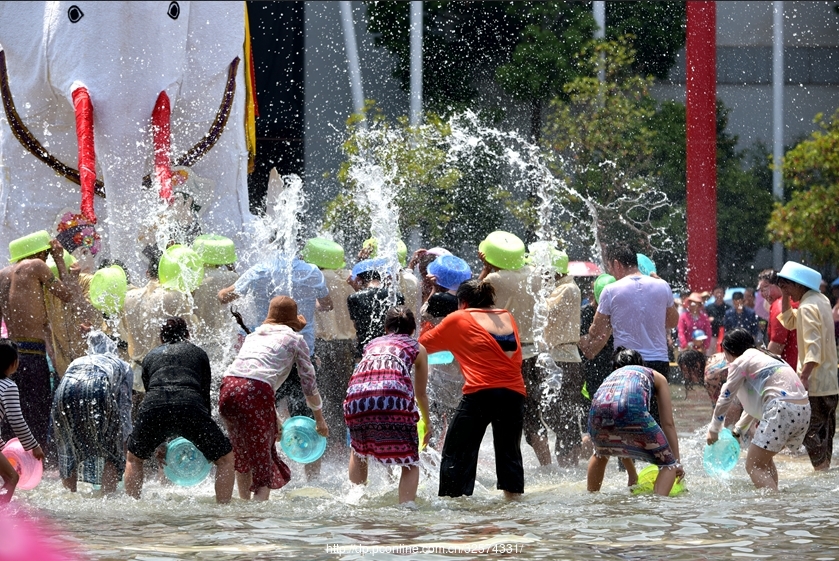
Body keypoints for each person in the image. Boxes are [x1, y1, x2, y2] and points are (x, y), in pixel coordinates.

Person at [218, 248, 332, 479]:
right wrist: (308, 306)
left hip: (265, 361)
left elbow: (224, 297)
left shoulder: (260, 270)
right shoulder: (312, 272)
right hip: (303, 350)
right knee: (309, 417)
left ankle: (258, 473)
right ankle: (312, 479)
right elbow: (327, 304)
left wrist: (232, 280)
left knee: (259, 418)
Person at [419, 279, 526, 499]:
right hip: (514, 393)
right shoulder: (506, 316)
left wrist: (428, 320)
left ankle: (453, 504)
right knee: (509, 453)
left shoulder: (459, 318)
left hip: (481, 393)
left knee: (456, 452)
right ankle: (514, 507)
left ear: (463, 302)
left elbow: (422, 345)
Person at [219, 296, 328, 501]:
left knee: (242, 453)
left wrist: (274, 420)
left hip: (228, 388)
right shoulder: (296, 340)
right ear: (293, 323)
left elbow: (249, 377)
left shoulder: (253, 336)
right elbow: (309, 383)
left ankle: (243, 512)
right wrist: (319, 419)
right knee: (263, 461)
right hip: (256, 391)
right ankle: (259, 524)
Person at [124, 318, 235, 503]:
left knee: (134, 459)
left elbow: (151, 393)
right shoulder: (198, 353)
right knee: (225, 459)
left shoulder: (150, 356)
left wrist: (159, 443)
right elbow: (204, 395)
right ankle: (223, 510)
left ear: (161, 338)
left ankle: (131, 507)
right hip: (191, 406)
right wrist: (204, 437)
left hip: (154, 408)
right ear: (187, 335)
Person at [579, 244, 678, 422]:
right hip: (659, 362)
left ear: (617, 264)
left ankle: (633, 450)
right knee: (658, 419)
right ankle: (660, 450)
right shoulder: (662, 285)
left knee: (629, 419)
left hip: (627, 363)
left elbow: (596, 330)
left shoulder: (611, 290)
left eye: (610, 268)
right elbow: (672, 322)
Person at [344, 306, 430, 504]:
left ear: (386, 327)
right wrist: (428, 422)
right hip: (394, 396)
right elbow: (421, 393)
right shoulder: (417, 347)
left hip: (357, 397)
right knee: (409, 460)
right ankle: (406, 508)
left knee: (359, 449)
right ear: (413, 330)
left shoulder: (372, 344)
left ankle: (354, 499)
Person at [706, 329, 810, 490]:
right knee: (764, 461)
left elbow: (725, 396)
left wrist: (714, 429)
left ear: (730, 352)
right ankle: (777, 502)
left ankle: (772, 506)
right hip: (803, 410)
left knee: (754, 465)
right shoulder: (767, 356)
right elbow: (757, 402)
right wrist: (739, 430)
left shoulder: (740, 361)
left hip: (782, 409)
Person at [0, 234, 76, 451]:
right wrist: (60, 260)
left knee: (9, 416)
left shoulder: (2, 274)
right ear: (42, 252)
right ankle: (36, 468)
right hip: (33, 354)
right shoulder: (37, 265)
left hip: (7, 354)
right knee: (37, 416)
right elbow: (68, 294)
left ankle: (10, 463)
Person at [586, 347, 683, 497]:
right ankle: (658, 510)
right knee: (667, 465)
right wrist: (676, 462)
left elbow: (620, 434)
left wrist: (632, 474)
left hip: (596, 413)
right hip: (631, 409)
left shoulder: (612, 377)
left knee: (600, 453)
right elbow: (668, 423)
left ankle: (590, 500)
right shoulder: (654, 375)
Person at [51, 331, 133, 494]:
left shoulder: (78, 360)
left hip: (64, 391)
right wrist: (124, 439)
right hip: (98, 386)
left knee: (68, 444)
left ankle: (70, 496)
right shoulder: (123, 365)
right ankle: (108, 498)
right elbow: (124, 407)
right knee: (112, 449)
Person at [777, 261, 839, 471]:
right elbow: (788, 321)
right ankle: (825, 470)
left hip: (815, 384)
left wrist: (803, 377)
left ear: (799, 285)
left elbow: (814, 347)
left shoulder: (806, 307)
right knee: (826, 432)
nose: (785, 291)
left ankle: (820, 473)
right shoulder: (821, 300)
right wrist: (786, 296)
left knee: (808, 432)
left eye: (787, 286)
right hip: (831, 383)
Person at [537, 247, 584, 467]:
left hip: (563, 359)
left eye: (544, 270)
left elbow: (541, 311)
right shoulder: (564, 286)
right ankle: (571, 460)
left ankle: (568, 461)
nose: (542, 275)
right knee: (562, 412)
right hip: (563, 357)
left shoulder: (565, 289)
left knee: (557, 411)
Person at [0, 340, 45, 503]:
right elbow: (16, 420)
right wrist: (33, 446)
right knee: (11, 478)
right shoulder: (8, 386)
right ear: (13, 363)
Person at [347, 258, 404, 358]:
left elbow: (357, 325)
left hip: (366, 350)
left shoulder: (354, 298)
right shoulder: (397, 296)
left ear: (359, 280)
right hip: (392, 350)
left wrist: (357, 291)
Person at [757, 269, 798, 368]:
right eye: (761, 290)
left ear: (780, 285)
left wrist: (760, 368)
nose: (763, 294)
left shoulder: (778, 306)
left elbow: (776, 347)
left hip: (788, 370)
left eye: (765, 288)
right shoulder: (794, 301)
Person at [705, 286, 730, 351]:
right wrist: (720, 321)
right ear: (713, 294)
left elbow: (726, 322)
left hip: (725, 335)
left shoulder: (728, 308)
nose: (719, 294)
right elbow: (707, 321)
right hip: (712, 336)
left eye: (720, 292)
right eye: (717, 292)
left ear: (724, 294)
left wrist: (714, 320)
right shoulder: (708, 308)